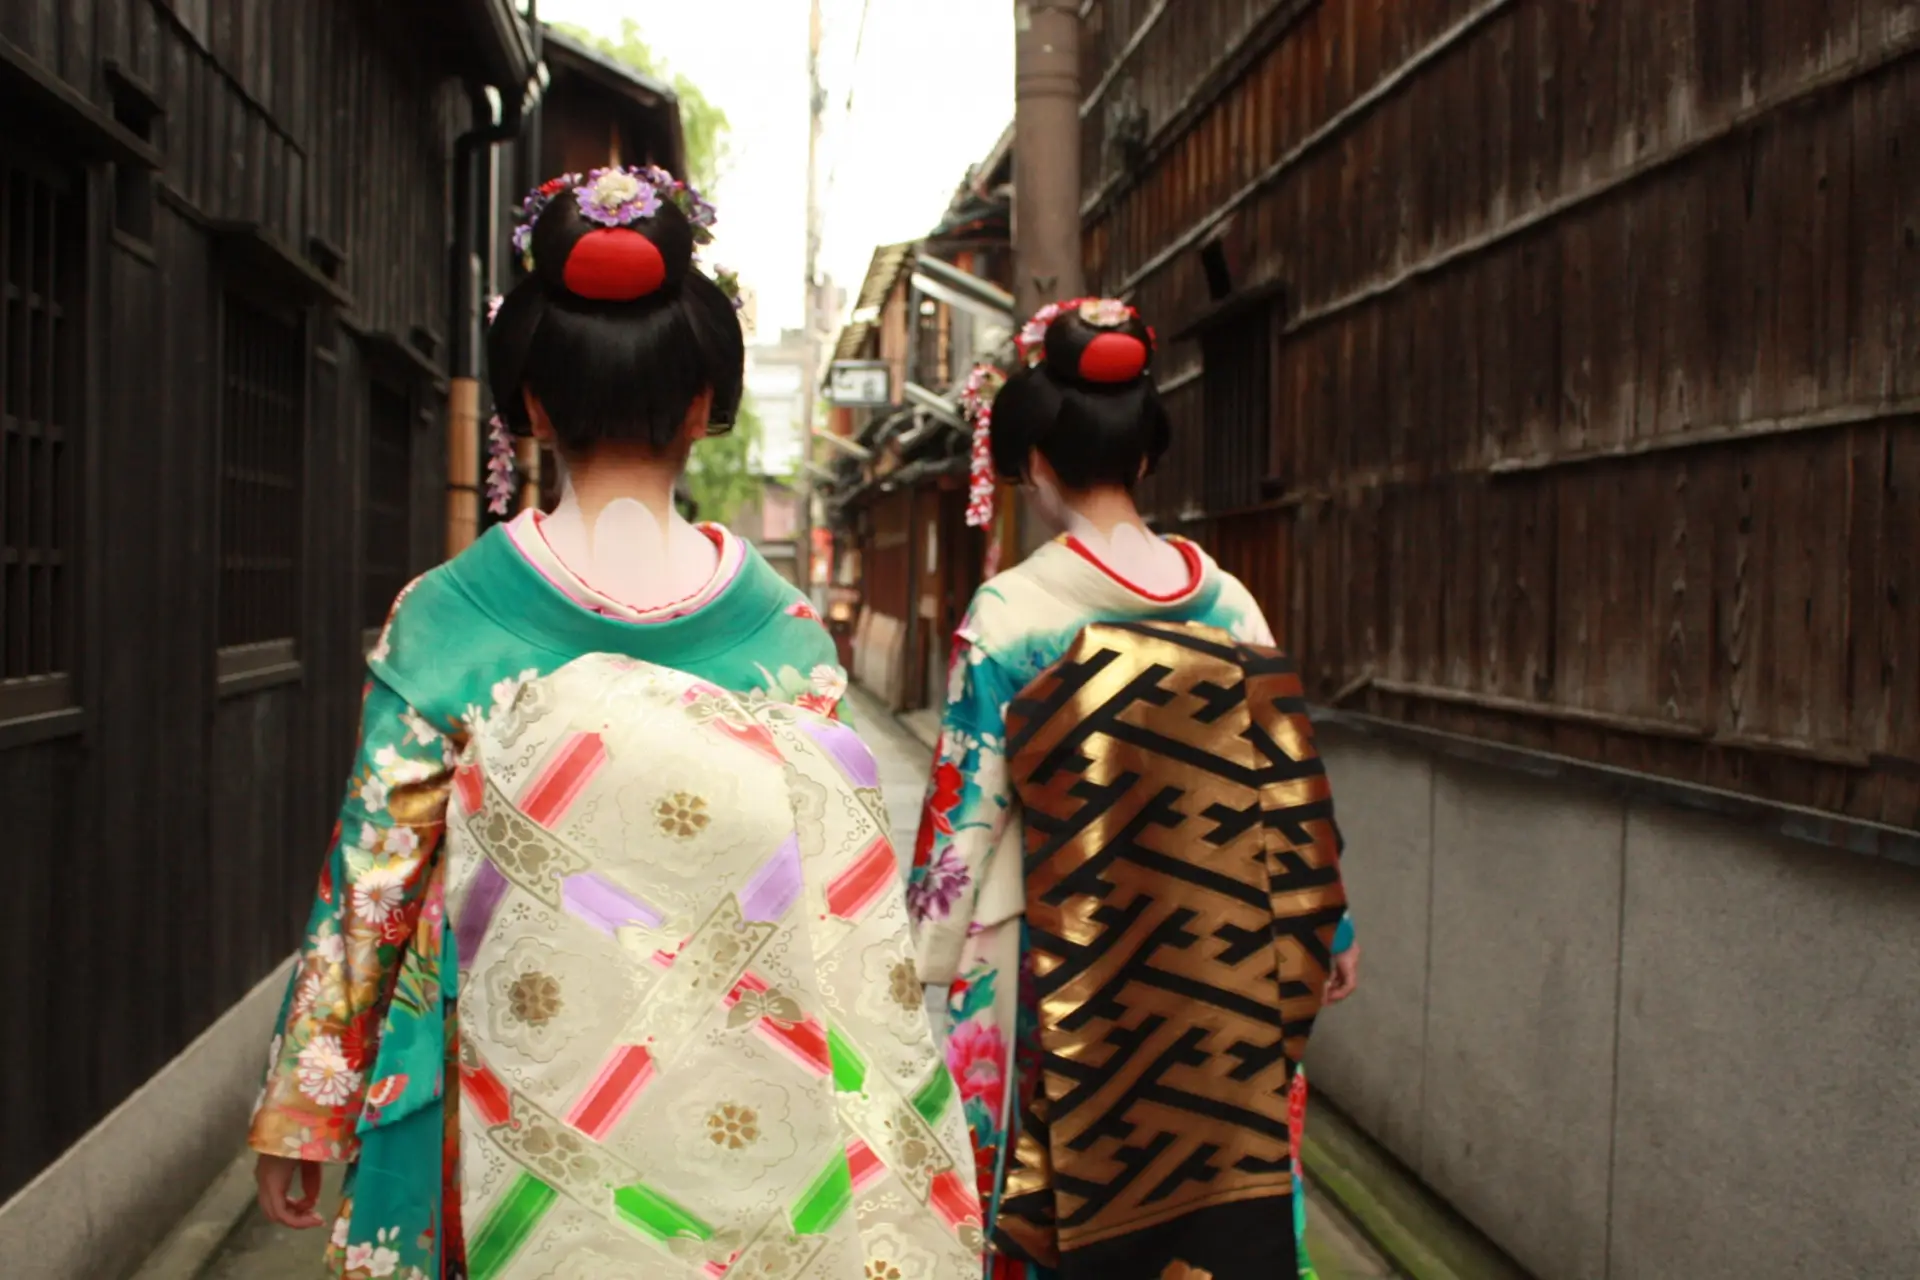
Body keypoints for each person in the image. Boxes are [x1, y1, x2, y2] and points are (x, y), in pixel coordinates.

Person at [248, 169, 979, 1279]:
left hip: (503, 1122)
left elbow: (373, 892)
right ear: (704, 404)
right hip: (742, 1133)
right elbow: (844, 941)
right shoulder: (783, 640)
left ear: (531, 406)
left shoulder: (449, 619)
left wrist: (308, 1104)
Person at [911, 298, 1359, 1280]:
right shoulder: (1228, 597)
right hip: (1216, 969)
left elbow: (964, 819)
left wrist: (921, 966)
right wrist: (1332, 932)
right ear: (1147, 457)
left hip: (1061, 967)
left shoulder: (1013, 613)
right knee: (1215, 1203)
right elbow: (1290, 790)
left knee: (1057, 1212)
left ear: (1033, 461)